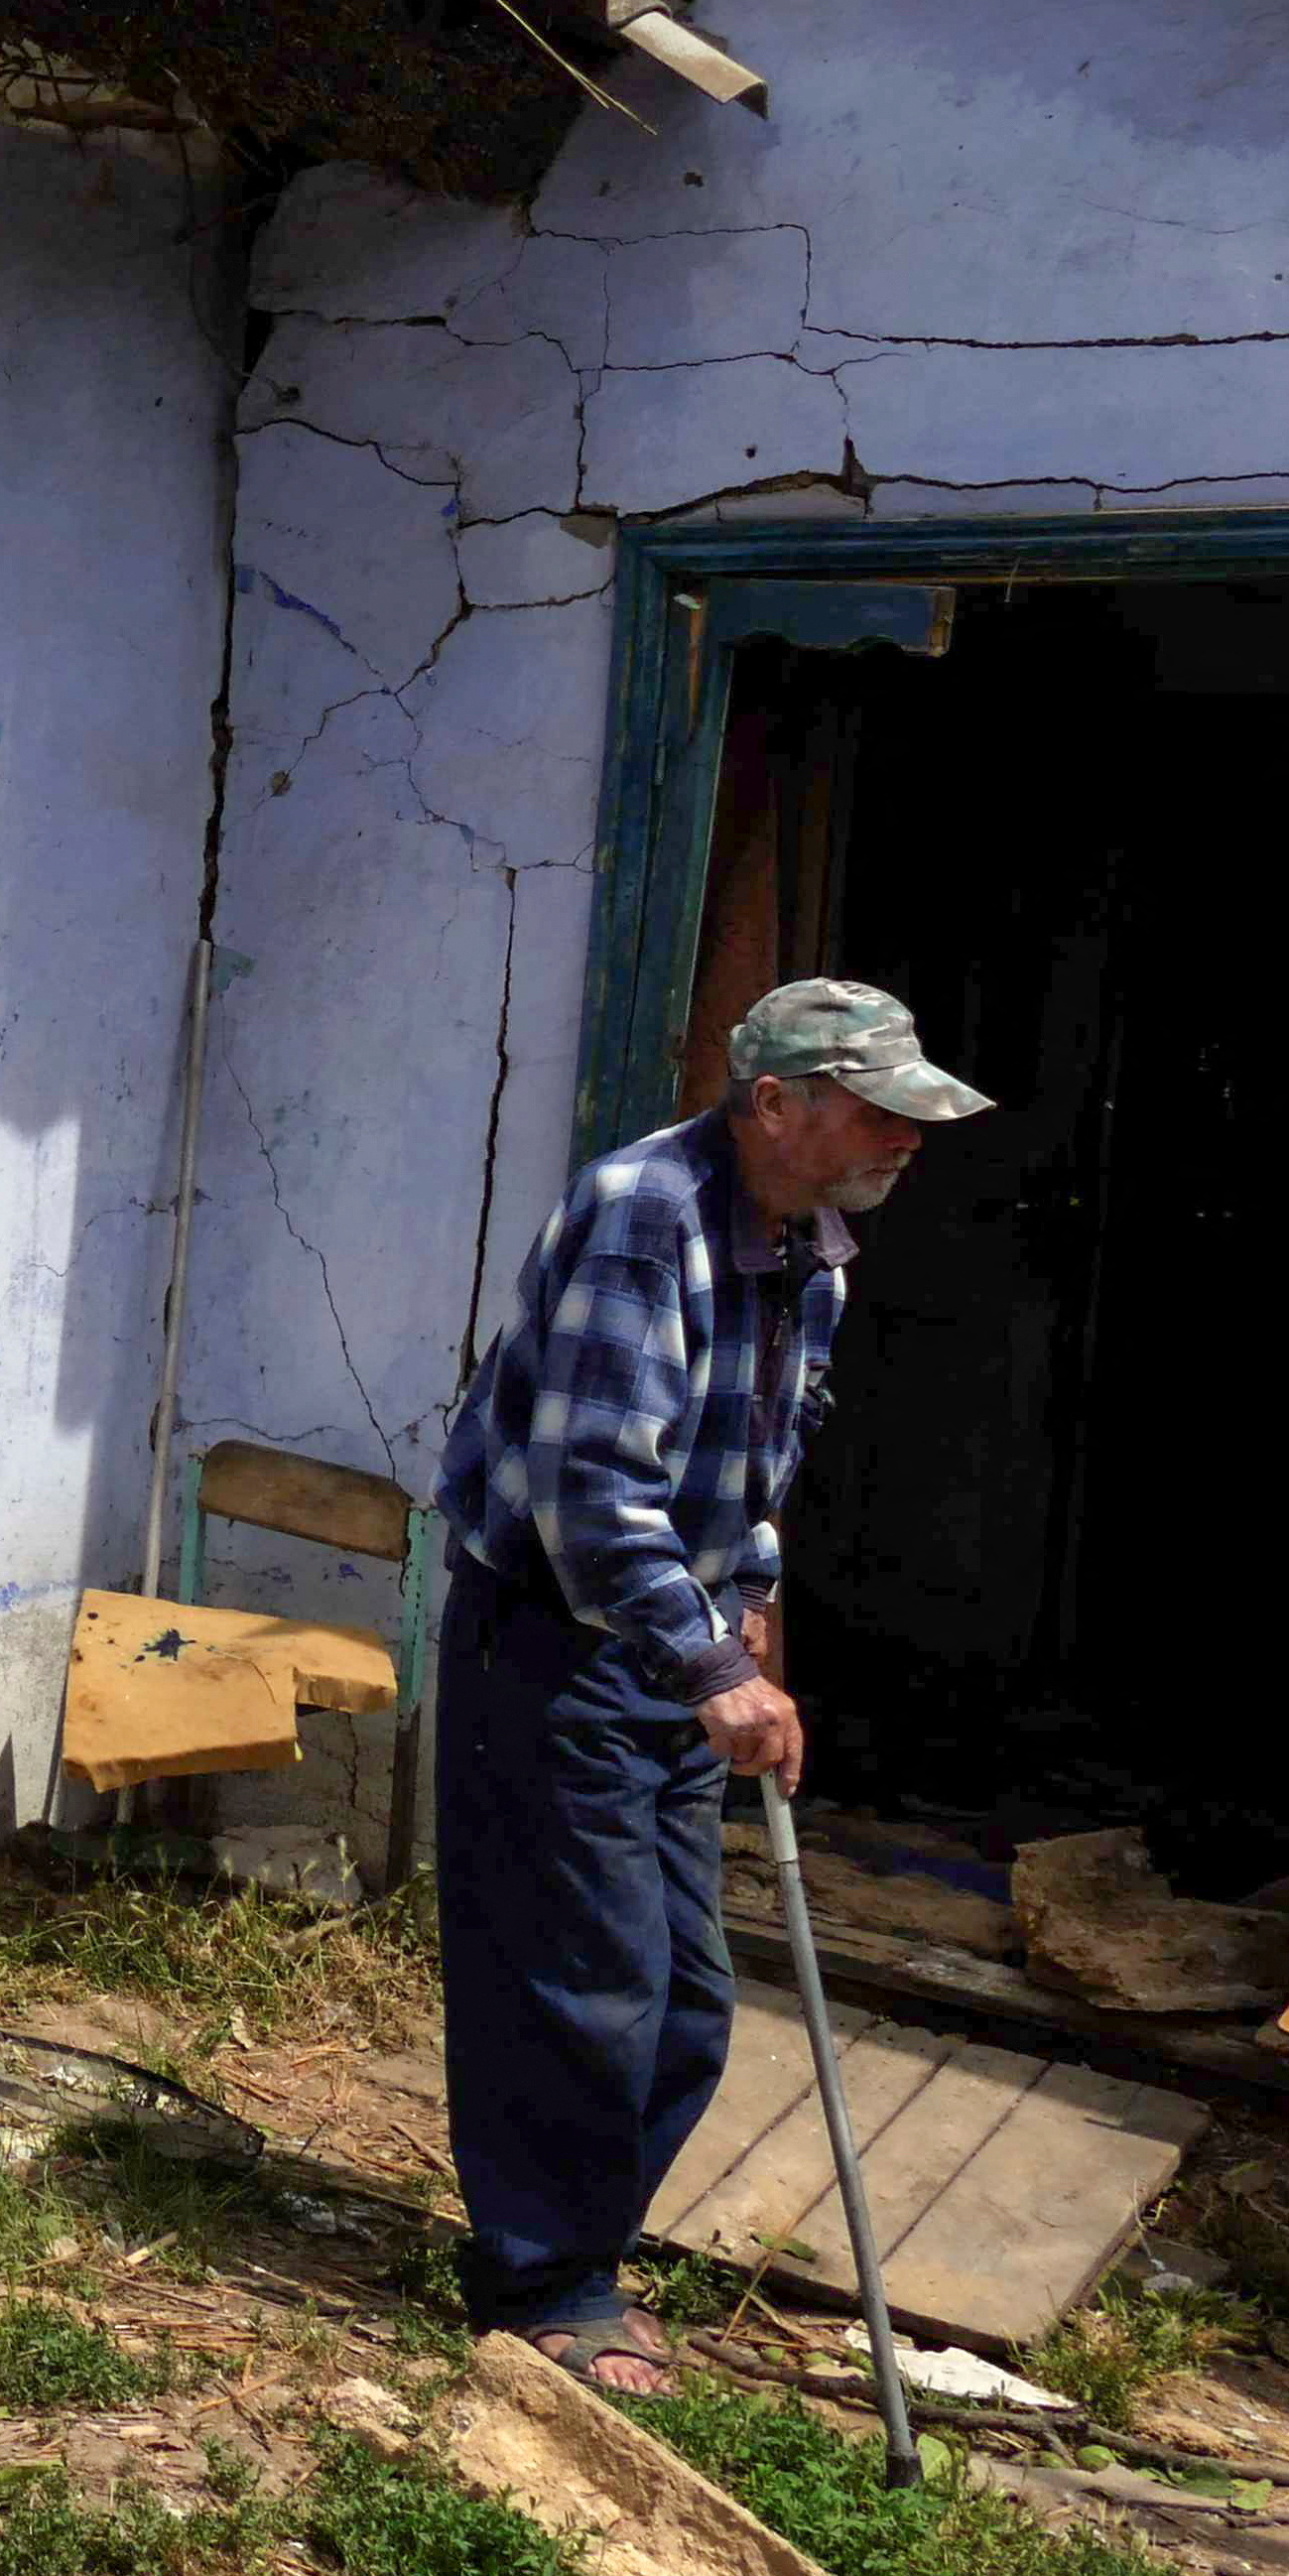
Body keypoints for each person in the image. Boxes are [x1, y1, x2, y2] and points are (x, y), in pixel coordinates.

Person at [429, 976, 992, 2393]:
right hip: (557, 1641)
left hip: (669, 1652)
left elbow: (751, 1483)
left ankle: (581, 2246)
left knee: (682, 1996)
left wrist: (754, 1638)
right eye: (878, 1108)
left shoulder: (816, 1244)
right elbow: (589, 1488)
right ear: (774, 1103)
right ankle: (540, 2284)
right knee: (580, 1984)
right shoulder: (644, 1215)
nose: (907, 1135)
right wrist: (710, 1665)